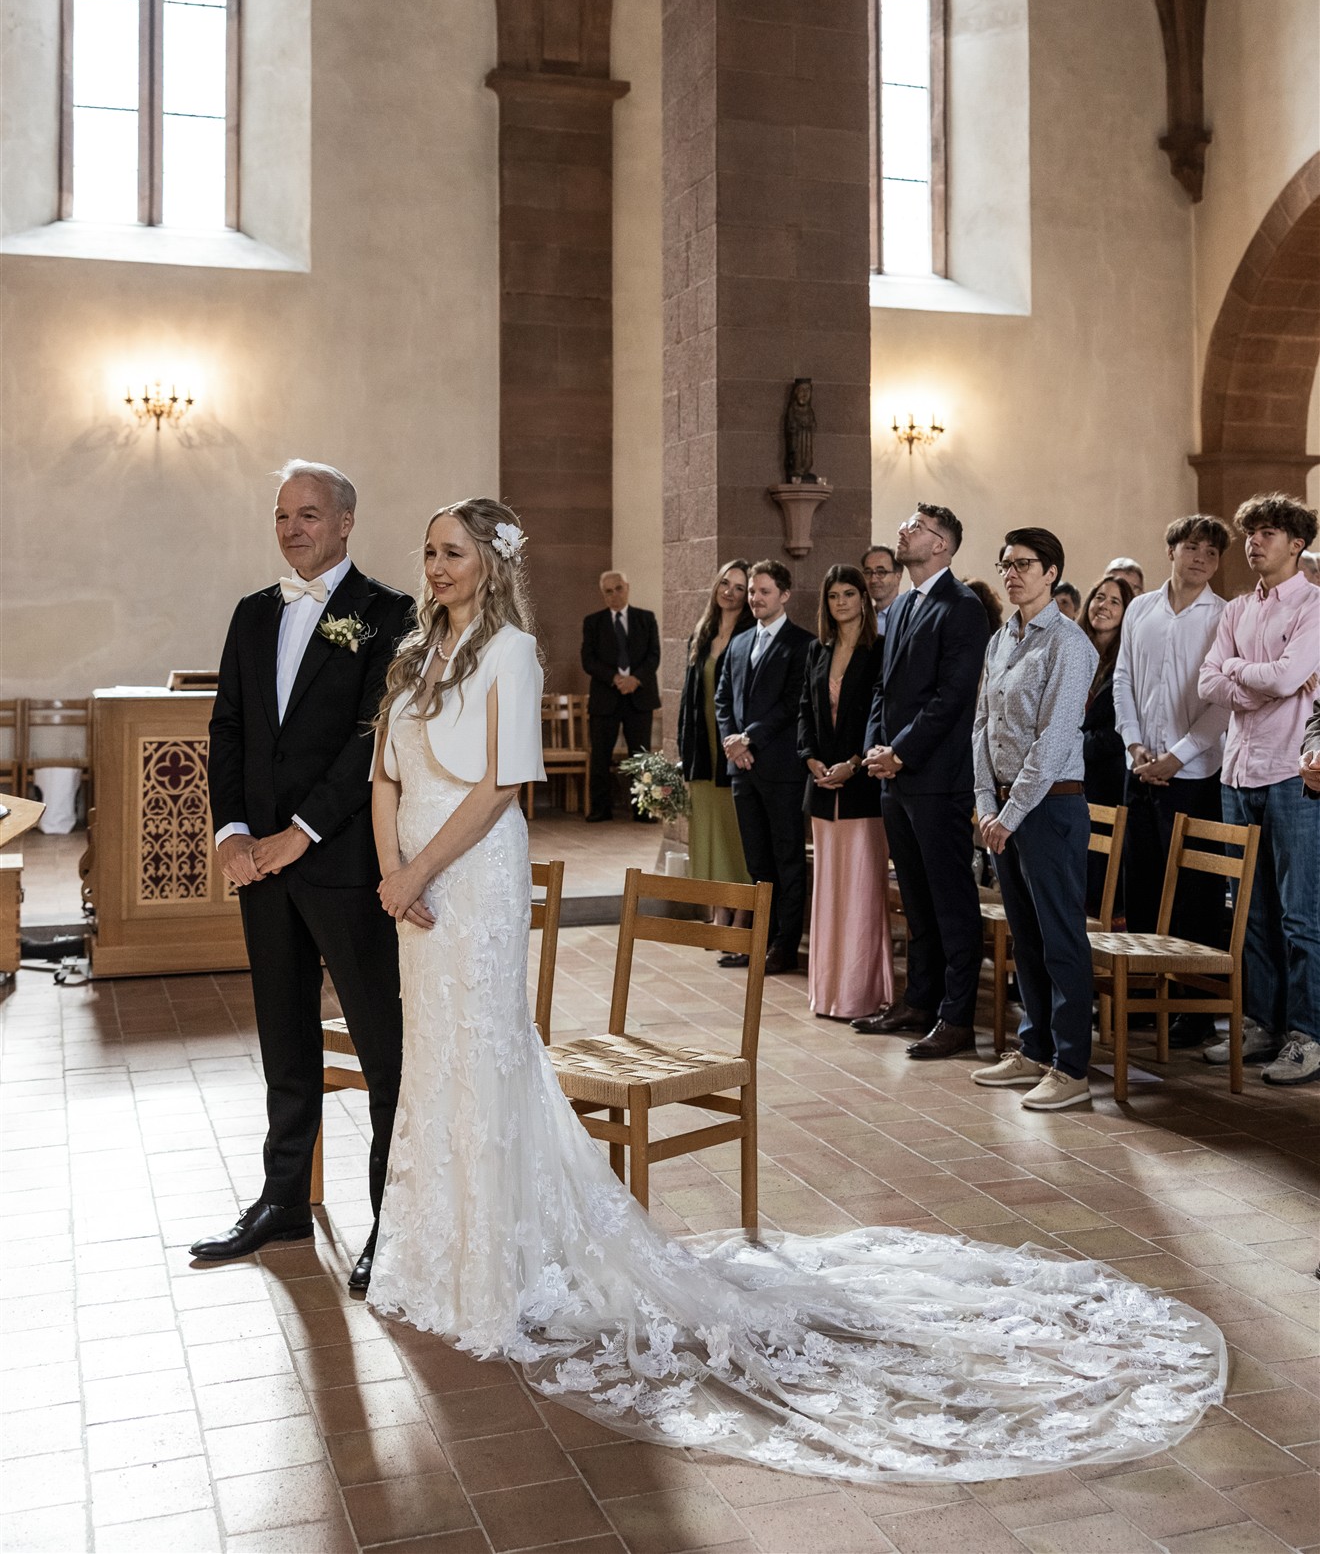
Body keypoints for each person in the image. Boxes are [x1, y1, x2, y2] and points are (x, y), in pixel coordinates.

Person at [365, 495, 1223, 1482]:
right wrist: (393, 871)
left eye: (453, 551)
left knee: (484, 1056)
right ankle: (431, 1252)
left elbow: (499, 785)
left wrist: (416, 870)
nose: (436, 566)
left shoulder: (512, 652)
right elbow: (385, 768)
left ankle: (492, 1265)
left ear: (491, 562)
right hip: (414, 888)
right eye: (428, 551)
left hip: (468, 879)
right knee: (432, 1060)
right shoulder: (413, 652)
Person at [196, 461, 415, 1289]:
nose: (293, 529)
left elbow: (373, 739)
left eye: (310, 515)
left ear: (346, 522)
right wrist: (232, 830)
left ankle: (392, 1223)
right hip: (261, 866)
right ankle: (284, 1199)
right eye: (283, 515)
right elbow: (227, 727)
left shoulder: (389, 613)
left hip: (346, 863)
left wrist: (303, 831)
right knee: (284, 1042)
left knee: (383, 1050)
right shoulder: (253, 612)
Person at [971, 527, 1098, 1111]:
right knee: (1025, 935)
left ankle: (1071, 1067)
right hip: (1005, 808)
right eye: (1005, 565)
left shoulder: (1069, 644)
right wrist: (986, 804)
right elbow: (982, 725)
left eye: (1023, 564)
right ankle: (1035, 1047)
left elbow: (1053, 740)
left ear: (1051, 572)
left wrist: (1011, 812)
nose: (1012, 574)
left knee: (1060, 937)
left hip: (1051, 806)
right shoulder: (1001, 639)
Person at [856, 505, 990, 1059]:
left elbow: (952, 697)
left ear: (941, 545)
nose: (903, 531)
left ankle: (957, 1019)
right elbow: (884, 688)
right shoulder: (907, 604)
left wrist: (902, 752)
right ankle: (920, 1001)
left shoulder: (963, 606)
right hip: (896, 776)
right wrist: (875, 747)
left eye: (915, 527)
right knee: (915, 897)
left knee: (950, 901)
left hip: (937, 777)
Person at [1198, 493, 1320, 1085]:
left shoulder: (1314, 605)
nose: (1254, 542)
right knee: (1248, 912)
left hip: (1291, 773)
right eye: (1251, 533)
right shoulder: (1238, 609)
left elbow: (1290, 676)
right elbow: (1206, 681)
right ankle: (1262, 1024)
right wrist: (1257, 681)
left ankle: (1307, 1035)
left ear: (1296, 544)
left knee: (1300, 915)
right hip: (1237, 772)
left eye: (1267, 532)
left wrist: (1238, 672)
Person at [1113, 516, 1231, 1045]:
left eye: (1211, 552)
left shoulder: (1223, 617)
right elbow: (1122, 679)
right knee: (1140, 884)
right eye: (1192, 547)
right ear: (1171, 551)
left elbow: (1222, 704)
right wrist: (1134, 744)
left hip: (1194, 774)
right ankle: (1141, 999)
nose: (1201, 558)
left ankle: (1194, 1010)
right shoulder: (1141, 608)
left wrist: (1177, 757)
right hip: (1140, 768)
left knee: (1193, 894)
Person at [799, 565, 892, 1019]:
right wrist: (810, 759)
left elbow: (881, 714)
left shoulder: (879, 650)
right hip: (822, 788)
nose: (841, 603)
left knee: (861, 892)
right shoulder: (818, 650)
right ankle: (827, 992)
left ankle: (860, 994)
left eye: (849, 594)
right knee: (829, 894)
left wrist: (853, 764)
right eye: (833, 595)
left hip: (862, 789)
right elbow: (804, 709)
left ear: (863, 599)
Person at [715, 559, 813, 974]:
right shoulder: (739, 643)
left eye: (764, 591)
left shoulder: (802, 644)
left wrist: (749, 738)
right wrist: (733, 743)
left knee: (787, 859)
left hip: (781, 768)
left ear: (784, 595)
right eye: (752, 591)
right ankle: (759, 941)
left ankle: (784, 947)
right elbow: (722, 699)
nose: (755, 598)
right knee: (757, 861)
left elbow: (794, 703)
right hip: (743, 769)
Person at [677, 560, 754, 959]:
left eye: (740, 587)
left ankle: (741, 916)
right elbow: (687, 699)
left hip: (731, 748)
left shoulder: (748, 635)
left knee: (735, 834)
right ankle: (719, 911)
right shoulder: (703, 632)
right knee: (708, 834)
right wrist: (683, 752)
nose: (730, 592)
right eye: (725, 583)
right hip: (702, 749)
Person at [581, 569, 661, 821]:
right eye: (608, 591)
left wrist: (635, 679)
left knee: (641, 756)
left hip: (639, 697)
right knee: (601, 756)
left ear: (627, 589)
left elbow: (654, 656)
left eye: (618, 589)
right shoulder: (593, 622)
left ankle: (643, 809)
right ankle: (600, 809)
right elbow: (588, 660)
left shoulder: (645, 619)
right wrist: (615, 678)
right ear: (602, 595)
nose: (614, 595)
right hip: (606, 697)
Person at [1078, 575, 1134, 913]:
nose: (1104, 606)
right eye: (1100, 597)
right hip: (1067, 780)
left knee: (1098, 880)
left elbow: (1118, 731)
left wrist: (1069, 745)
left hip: (1105, 781)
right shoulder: (1072, 650)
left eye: (1115, 601)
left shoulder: (1127, 660)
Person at [861, 543, 904, 635]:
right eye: (868, 572)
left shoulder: (909, 616)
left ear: (898, 576)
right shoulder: (862, 619)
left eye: (881, 572)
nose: (873, 580)